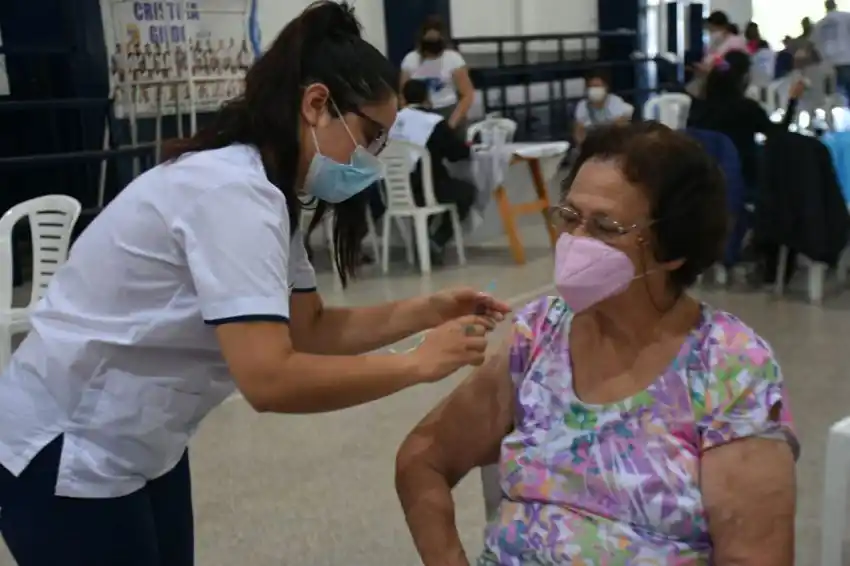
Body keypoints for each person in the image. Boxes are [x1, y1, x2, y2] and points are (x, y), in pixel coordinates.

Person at [0, 3, 510, 566]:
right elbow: (270, 378)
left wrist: (427, 308)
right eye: (370, 135)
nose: (371, 158)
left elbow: (308, 326)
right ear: (317, 104)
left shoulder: (270, 189)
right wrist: (416, 363)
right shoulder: (232, 192)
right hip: (69, 443)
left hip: (142, 439)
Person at [395, 122, 798, 565]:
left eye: (605, 226)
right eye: (569, 217)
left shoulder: (728, 367)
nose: (576, 243)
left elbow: (754, 556)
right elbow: (422, 460)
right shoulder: (540, 335)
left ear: (673, 249)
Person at [688, 50, 804, 193]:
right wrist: (792, 101)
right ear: (744, 78)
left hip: (704, 182)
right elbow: (778, 134)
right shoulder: (747, 109)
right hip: (743, 181)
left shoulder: (698, 108)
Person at [389, 79, 477, 263]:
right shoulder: (433, 123)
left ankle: (422, 242)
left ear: (402, 98)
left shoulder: (390, 122)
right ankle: (438, 239)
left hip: (392, 193)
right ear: (428, 98)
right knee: (466, 191)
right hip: (426, 191)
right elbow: (456, 154)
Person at [400, 15, 475, 132]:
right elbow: (402, 95)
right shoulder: (410, 60)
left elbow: (467, 94)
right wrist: (411, 120)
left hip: (448, 110)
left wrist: (451, 123)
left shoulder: (453, 59)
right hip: (420, 112)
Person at [572, 69, 633, 145]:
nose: (595, 90)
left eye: (598, 86)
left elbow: (621, 125)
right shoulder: (582, 105)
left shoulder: (615, 101)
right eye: (592, 87)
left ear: (606, 88)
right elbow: (578, 131)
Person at [812, 0, 850, 98]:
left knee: (836, 93)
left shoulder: (820, 24)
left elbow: (815, 44)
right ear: (835, 5)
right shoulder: (846, 17)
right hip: (846, 58)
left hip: (828, 63)